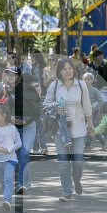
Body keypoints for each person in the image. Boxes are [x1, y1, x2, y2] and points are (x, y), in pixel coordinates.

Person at [44, 57, 95, 201]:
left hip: (78, 130)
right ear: (59, 71)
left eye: (70, 68)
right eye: (64, 69)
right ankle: (67, 192)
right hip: (60, 131)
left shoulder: (81, 85)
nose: (67, 71)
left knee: (78, 161)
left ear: (74, 69)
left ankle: (76, 179)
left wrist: (90, 125)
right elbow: (46, 105)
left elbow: (87, 106)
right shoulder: (54, 86)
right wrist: (55, 108)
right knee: (63, 162)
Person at [5, 66, 42, 194]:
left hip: (29, 126)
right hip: (13, 127)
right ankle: (26, 180)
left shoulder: (31, 91)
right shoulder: (5, 90)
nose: (10, 77)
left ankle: (20, 183)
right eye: (8, 74)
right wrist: (10, 118)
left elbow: (38, 108)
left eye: (13, 74)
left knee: (25, 154)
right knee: (18, 156)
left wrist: (28, 118)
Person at [0, 103, 23, 211]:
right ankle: (6, 201)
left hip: (10, 159)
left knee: (8, 179)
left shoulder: (12, 128)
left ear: (4, 115)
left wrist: (9, 149)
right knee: (3, 182)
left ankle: (6, 200)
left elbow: (19, 143)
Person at [83, 72, 105, 149]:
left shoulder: (95, 90)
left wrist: (95, 109)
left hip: (93, 113)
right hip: (84, 112)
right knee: (92, 128)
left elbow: (100, 101)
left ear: (92, 80)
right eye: (85, 79)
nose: (86, 81)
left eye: (88, 79)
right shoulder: (82, 90)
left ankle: (87, 144)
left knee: (89, 127)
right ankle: (103, 142)